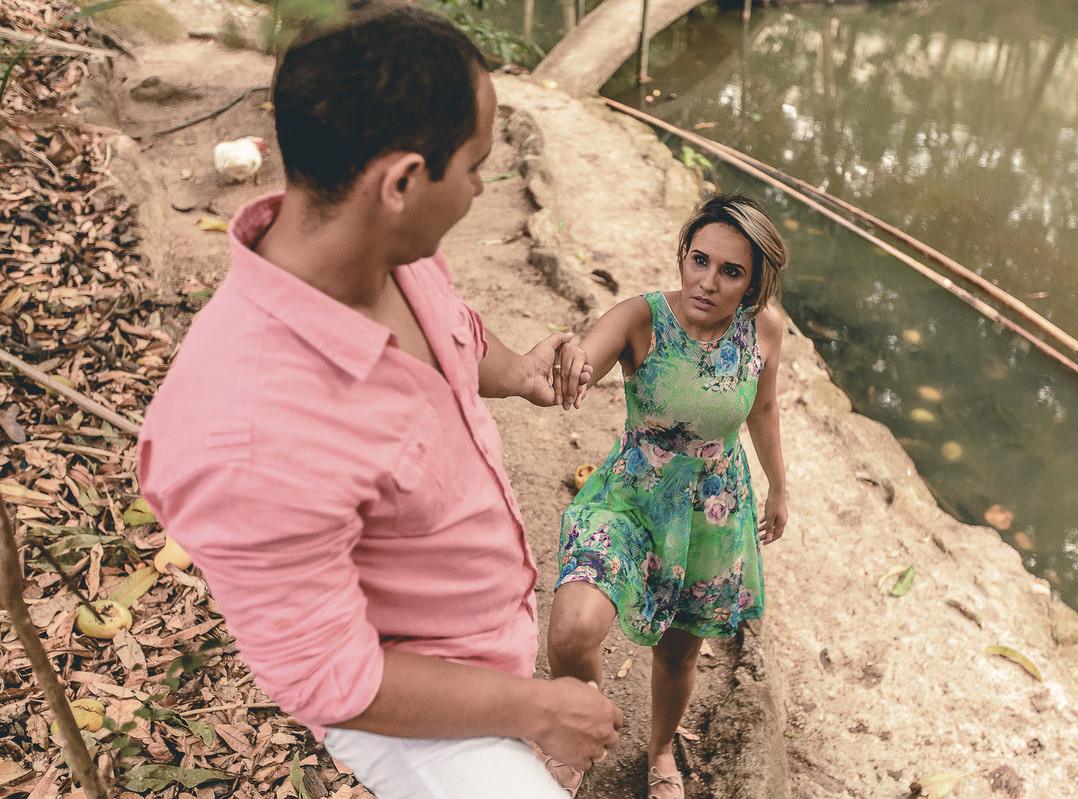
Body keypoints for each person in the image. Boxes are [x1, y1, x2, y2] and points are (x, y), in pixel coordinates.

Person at [135, 4, 621, 798]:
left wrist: (518, 371)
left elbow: (455, 332)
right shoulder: (242, 435)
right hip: (414, 715)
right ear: (400, 182)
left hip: (487, 645)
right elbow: (334, 676)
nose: (480, 188)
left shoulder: (393, 254)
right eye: (474, 167)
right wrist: (540, 709)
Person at [545, 193, 789, 799]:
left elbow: (762, 406)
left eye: (731, 271)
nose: (707, 282)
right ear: (683, 253)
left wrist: (779, 486)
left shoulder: (763, 330)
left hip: (712, 510)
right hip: (630, 496)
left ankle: (659, 749)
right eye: (699, 260)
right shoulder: (642, 319)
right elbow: (588, 358)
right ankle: (582, 728)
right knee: (573, 629)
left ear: (754, 282)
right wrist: (571, 360)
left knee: (680, 654)